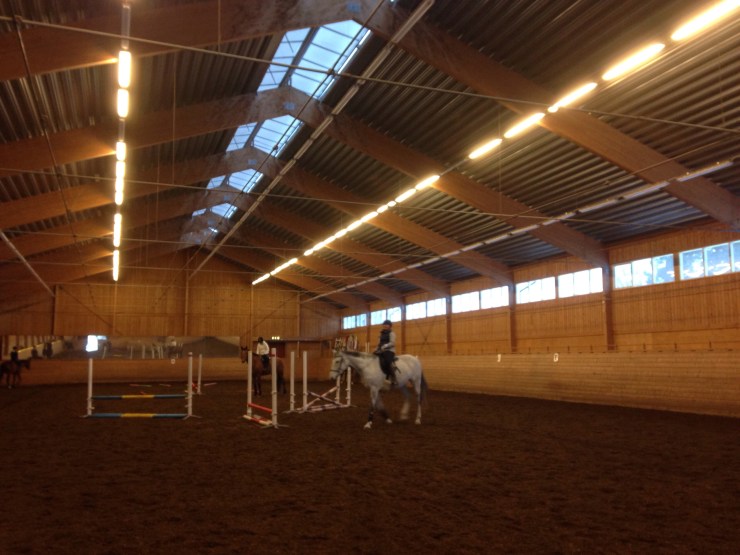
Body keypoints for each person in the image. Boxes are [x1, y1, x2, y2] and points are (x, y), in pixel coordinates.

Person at [374, 320, 397, 385]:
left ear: (390, 326)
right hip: (381, 350)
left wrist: (385, 346)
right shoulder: (381, 334)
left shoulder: (392, 333)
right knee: (373, 358)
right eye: (384, 324)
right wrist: (376, 348)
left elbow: (392, 343)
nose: (385, 326)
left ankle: (393, 377)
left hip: (389, 350)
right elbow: (379, 343)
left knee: (387, 361)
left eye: (387, 325)